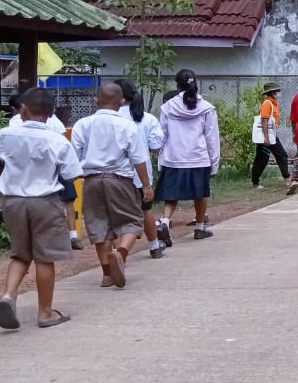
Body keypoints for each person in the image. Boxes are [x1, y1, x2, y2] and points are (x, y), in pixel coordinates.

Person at [0, 87, 83, 329]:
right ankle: (45, 313)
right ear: (51, 114)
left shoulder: (8, 134)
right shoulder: (57, 140)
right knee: (45, 258)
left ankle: (8, 296)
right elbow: (72, 174)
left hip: (13, 201)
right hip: (44, 201)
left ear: (22, 110)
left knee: (20, 254)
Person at [70, 82, 153, 290]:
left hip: (91, 181)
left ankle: (107, 274)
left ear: (95, 100)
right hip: (119, 180)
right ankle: (121, 254)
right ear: (121, 102)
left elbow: (73, 157)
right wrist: (146, 185)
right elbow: (138, 159)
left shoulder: (82, 124)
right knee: (132, 221)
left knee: (99, 226)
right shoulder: (128, 126)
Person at [6, 92, 82, 249]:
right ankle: (73, 235)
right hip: (57, 168)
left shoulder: (14, 123)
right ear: (51, 110)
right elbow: (73, 171)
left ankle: (31, 240)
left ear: (23, 109)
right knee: (67, 201)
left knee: (22, 253)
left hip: (25, 180)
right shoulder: (55, 124)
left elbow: (0, 151)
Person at [155, 68, 220, 242]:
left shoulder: (168, 107)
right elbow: (212, 138)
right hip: (199, 158)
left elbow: (162, 135)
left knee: (171, 195)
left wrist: (161, 158)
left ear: (177, 85)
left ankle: (164, 222)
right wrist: (214, 164)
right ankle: (199, 228)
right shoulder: (206, 108)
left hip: (173, 158)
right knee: (200, 194)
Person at [116, 79, 167, 259]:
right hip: (140, 175)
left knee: (115, 215)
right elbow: (156, 147)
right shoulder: (147, 118)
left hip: (114, 175)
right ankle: (154, 246)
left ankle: (118, 252)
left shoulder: (108, 118)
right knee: (145, 210)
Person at [252, 81, 290, 188]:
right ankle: (255, 182)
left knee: (279, 155)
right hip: (266, 136)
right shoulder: (267, 103)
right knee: (263, 158)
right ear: (273, 92)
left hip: (271, 134)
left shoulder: (273, 103)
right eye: (277, 91)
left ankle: (287, 178)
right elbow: (264, 120)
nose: (278, 93)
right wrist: (266, 137)